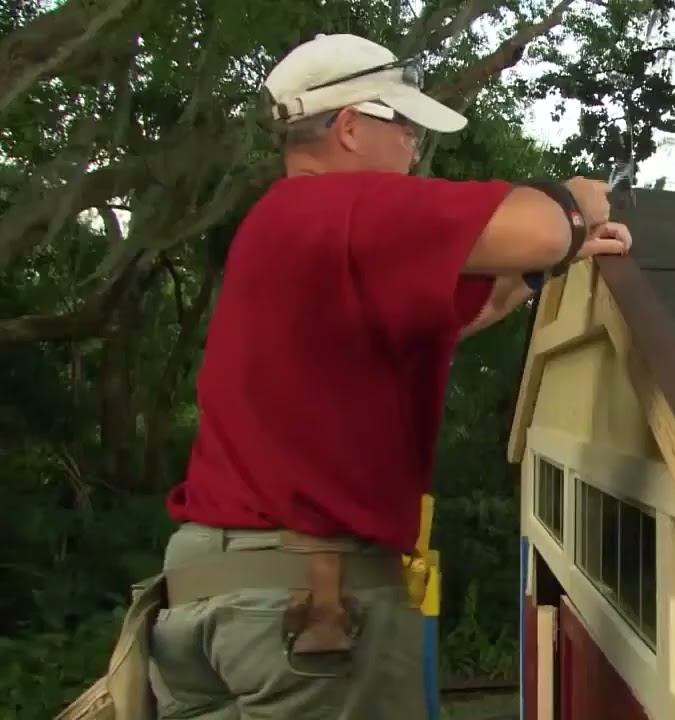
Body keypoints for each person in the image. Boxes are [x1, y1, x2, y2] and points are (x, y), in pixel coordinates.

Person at [147, 33, 632, 719]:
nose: (412, 142)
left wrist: (545, 268)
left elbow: (469, 309)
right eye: (401, 122)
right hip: (307, 606)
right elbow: (541, 228)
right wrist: (575, 203)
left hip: (208, 599)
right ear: (348, 127)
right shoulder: (342, 207)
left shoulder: (287, 230)